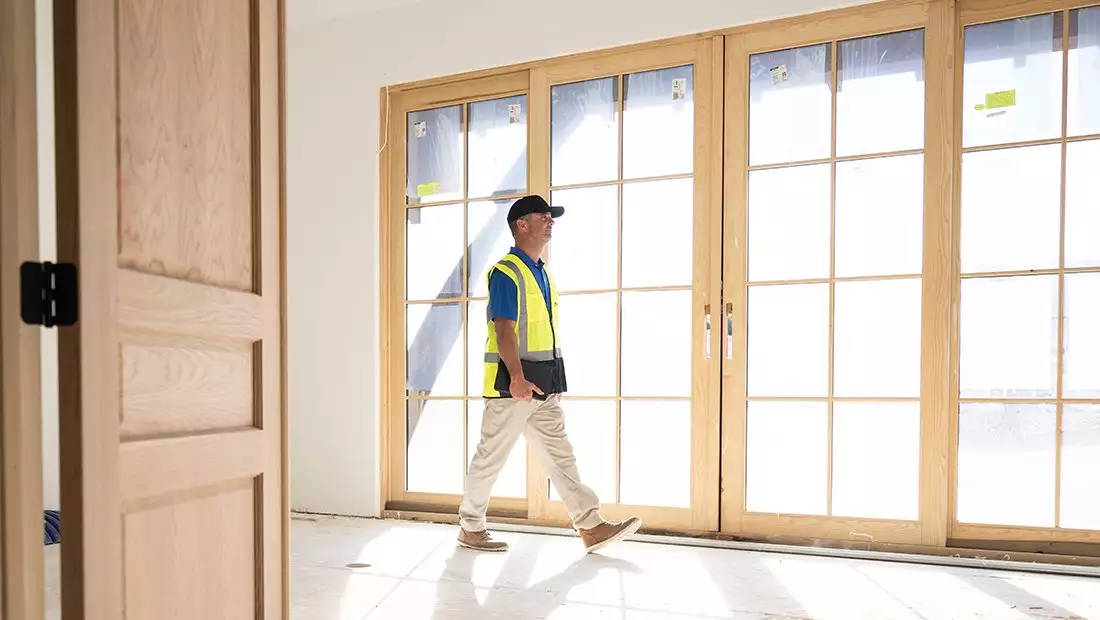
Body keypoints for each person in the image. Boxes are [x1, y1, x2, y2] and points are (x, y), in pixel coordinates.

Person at [457, 195, 642, 554]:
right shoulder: (507, 272)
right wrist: (515, 378)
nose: (550, 220)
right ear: (521, 225)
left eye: (551, 216)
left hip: (542, 384)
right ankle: (470, 527)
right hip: (513, 386)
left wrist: (555, 384)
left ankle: (590, 525)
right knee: (490, 458)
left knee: (561, 456)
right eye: (543, 216)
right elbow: (504, 330)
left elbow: (544, 333)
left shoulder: (541, 272)